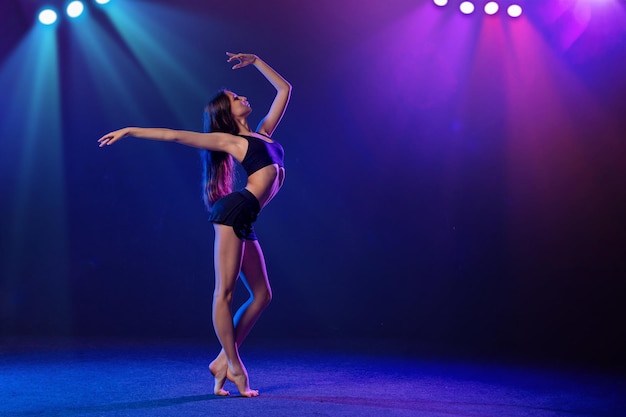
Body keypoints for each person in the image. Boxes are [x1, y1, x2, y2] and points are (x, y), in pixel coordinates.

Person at [98, 52, 291, 397]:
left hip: (245, 217)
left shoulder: (263, 133)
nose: (242, 97)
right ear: (226, 114)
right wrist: (129, 130)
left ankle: (221, 361)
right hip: (233, 213)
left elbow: (284, 89)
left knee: (262, 295)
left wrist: (258, 61)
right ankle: (235, 367)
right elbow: (174, 136)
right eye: (234, 98)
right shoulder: (231, 141)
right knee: (225, 293)